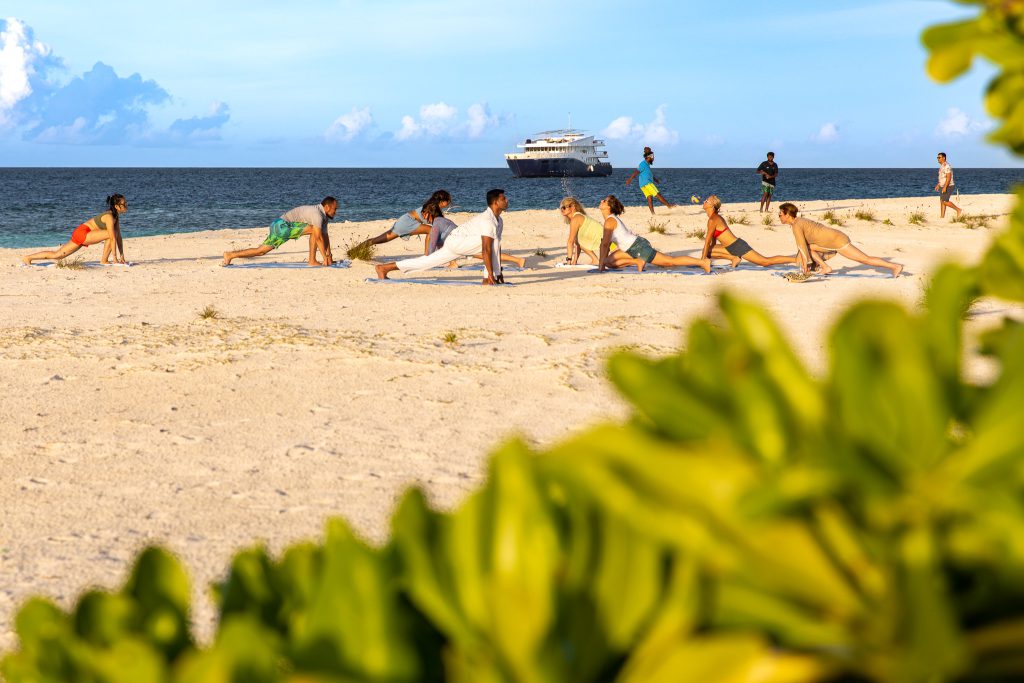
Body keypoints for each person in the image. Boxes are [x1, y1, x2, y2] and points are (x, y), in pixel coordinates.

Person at [376, 189, 508, 285]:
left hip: (455, 243)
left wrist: (498, 272)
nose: (507, 201)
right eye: (503, 199)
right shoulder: (487, 221)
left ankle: (384, 268)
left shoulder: (498, 220)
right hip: (456, 242)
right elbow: (487, 249)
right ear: (495, 203)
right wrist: (492, 274)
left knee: (425, 262)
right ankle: (488, 279)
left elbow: (494, 248)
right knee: (492, 243)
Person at [777, 202, 902, 278]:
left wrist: (805, 267)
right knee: (810, 248)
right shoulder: (798, 223)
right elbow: (804, 247)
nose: (779, 216)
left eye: (780, 214)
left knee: (864, 259)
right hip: (831, 240)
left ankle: (894, 266)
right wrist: (806, 264)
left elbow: (801, 247)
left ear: (787, 215)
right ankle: (825, 267)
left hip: (837, 240)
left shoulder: (797, 225)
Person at [598, 194, 710, 273]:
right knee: (608, 261)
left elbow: (605, 245)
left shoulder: (610, 221)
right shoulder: (610, 220)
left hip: (638, 247)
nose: (601, 201)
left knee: (669, 262)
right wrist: (602, 264)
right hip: (631, 248)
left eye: (604, 201)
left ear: (609, 207)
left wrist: (600, 267)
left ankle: (702, 263)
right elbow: (604, 245)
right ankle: (638, 261)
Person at [222, 197, 337, 266]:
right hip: (282, 226)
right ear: (326, 207)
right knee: (313, 230)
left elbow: (325, 237)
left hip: (277, 226)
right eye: (334, 209)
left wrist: (329, 256)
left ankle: (230, 255)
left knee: (261, 251)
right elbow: (318, 238)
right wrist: (325, 258)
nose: (335, 212)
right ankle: (312, 260)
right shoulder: (317, 214)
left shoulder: (323, 217)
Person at [22, 195, 127, 266]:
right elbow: (113, 237)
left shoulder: (115, 216)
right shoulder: (109, 217)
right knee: (111, 234)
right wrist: (115, 258)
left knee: (58, 255)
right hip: (83, 232)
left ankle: (28, 258)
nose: (126, 205)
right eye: (124, 204)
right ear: (117, 206)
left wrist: (121, 255)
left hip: (83, 233)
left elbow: (118, 237)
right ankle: (104, 260)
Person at [701, 195, 796, 268]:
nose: (704, 201)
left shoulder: (713, 220)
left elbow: (707, 241)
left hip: (737, 246)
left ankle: (796, 259)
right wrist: (706, 258)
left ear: (711, 206)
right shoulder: (713, 218)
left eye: (706, 201)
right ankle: (734, 258)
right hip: (731, 247)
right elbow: (712, 242)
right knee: (707, 250)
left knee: (765, 261)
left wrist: (702, 261)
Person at [351, 190, 452, 256]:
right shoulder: (432, 207)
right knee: (431, 231)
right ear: (442, 201)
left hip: (404, 220)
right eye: (448, 201)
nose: (448, 204)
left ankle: (353, 251)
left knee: (378, 240)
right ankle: (427, 256)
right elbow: (436, 224)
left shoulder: (432, 206)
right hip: (408, 222)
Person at [559, 196, 615, 265]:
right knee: (579, 241)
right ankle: (595, 260)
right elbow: (577, 244)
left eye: (564, 207)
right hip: (606, 239)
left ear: (573, 207)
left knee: (580, 241)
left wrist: (569, 260)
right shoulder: (577, 217)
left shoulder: (576, 218)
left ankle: (595, 260)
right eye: (561, 208)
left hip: (605, 239)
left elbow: (570, 242)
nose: (562, 209)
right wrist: (574, 261)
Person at [625, 150, 675, 214]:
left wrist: (655, 179)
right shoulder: (643, 164)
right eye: (653, 157)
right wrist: (630, 179)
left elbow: (648, 173)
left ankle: (653, 213)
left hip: (643, 184)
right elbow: (636, 171)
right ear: (649, 157)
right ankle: (669, 206)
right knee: (657, 194)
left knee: (649, 198)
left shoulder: (646, 164)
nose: (653, 158)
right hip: (647, 183)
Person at [934, 152, 962, 219]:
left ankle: (958, 210)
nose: (938, 159)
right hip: (942, 185)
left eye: (939, 157)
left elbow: (948, 177)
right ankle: (942, 217)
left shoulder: (947, 166)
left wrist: (945, 187)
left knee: (944, 201)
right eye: (937, 157)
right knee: (942, 201)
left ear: (944, 158)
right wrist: (938, 184)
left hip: (948, 186)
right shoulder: (942, 166)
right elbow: (942, 177)